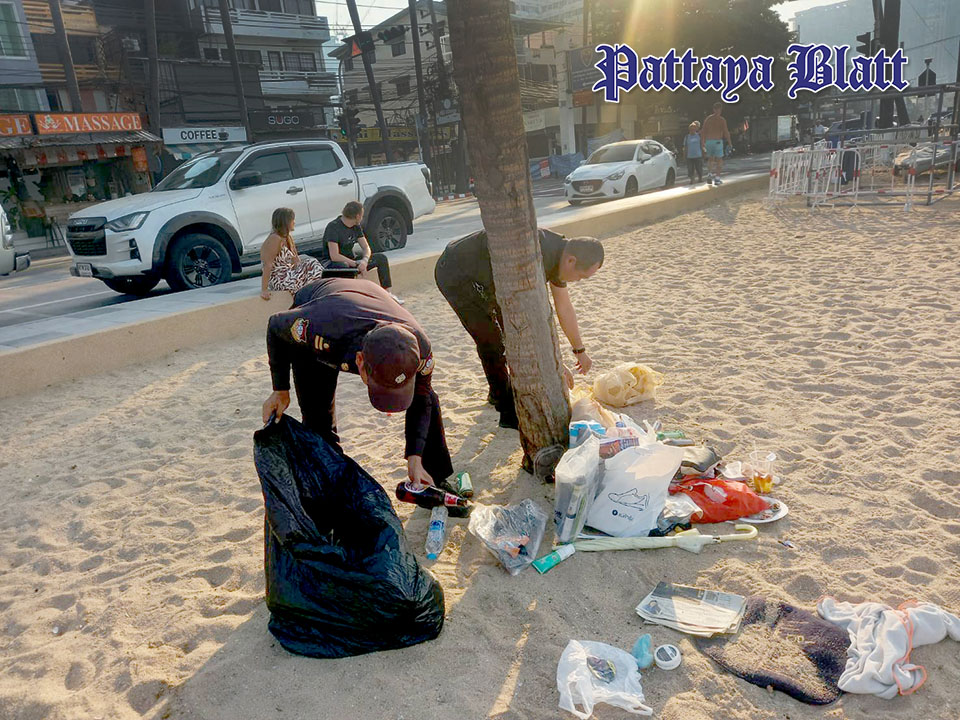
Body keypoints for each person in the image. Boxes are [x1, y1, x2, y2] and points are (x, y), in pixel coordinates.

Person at [262, 277, 453, 489]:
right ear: (359, 362)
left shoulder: (420, 350)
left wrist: (415, 456)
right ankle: (332, 484)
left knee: (427, 397)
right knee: (318, 418)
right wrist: (280, 390)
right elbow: (275, 325)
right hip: (324, 311)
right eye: (381, 386)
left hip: (370, 298)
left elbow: (422, 397)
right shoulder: (317, 328)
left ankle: (433, 477)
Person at [435, 229, 603, 429]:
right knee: (492, 341)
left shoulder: (562, 252)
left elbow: (564, 307)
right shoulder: (532, 259)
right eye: (581, 277)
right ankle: (507, 411)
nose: (578, 281)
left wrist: (579, 350)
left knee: (506, 333)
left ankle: (497, 391)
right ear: (571, 261)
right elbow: (531, 317)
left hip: (490, 275)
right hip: (457, 273)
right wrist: (556, 360)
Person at [322, 201, 401, 303]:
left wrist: (364, 260)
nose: (362, 218)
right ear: (358, 216)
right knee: (344, 266)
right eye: (362, 216)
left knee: (381, 258)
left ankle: (387, 293)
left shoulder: (356, 226)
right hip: (334, 264)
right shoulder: (333, 227)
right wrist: (355, 263)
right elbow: (334, 255)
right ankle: (352, 298)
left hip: (352, 261)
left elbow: (366, 247)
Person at [260, 207, 324, 300]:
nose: (294, 222)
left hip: (290, 273)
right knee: (312, 263)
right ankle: (314, 292)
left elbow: (296, 261)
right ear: (286, 222)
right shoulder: (274, 239)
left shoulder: (287, 237)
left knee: (311, 264)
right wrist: (264, 289)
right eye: (292, 220)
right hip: (279, 278)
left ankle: (318, 289)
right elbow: (267, 265)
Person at [702, 102, 731, 185]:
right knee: (719, 160)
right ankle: (717, 178)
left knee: (710, 159)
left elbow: (703, 131)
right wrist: (730, 143)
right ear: (720, 110)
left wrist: (703, 142)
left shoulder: (708, 119)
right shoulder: (721, 120)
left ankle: (709, 174)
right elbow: (726, 132)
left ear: (713, 109)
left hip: (709, 141)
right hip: (717, 141)